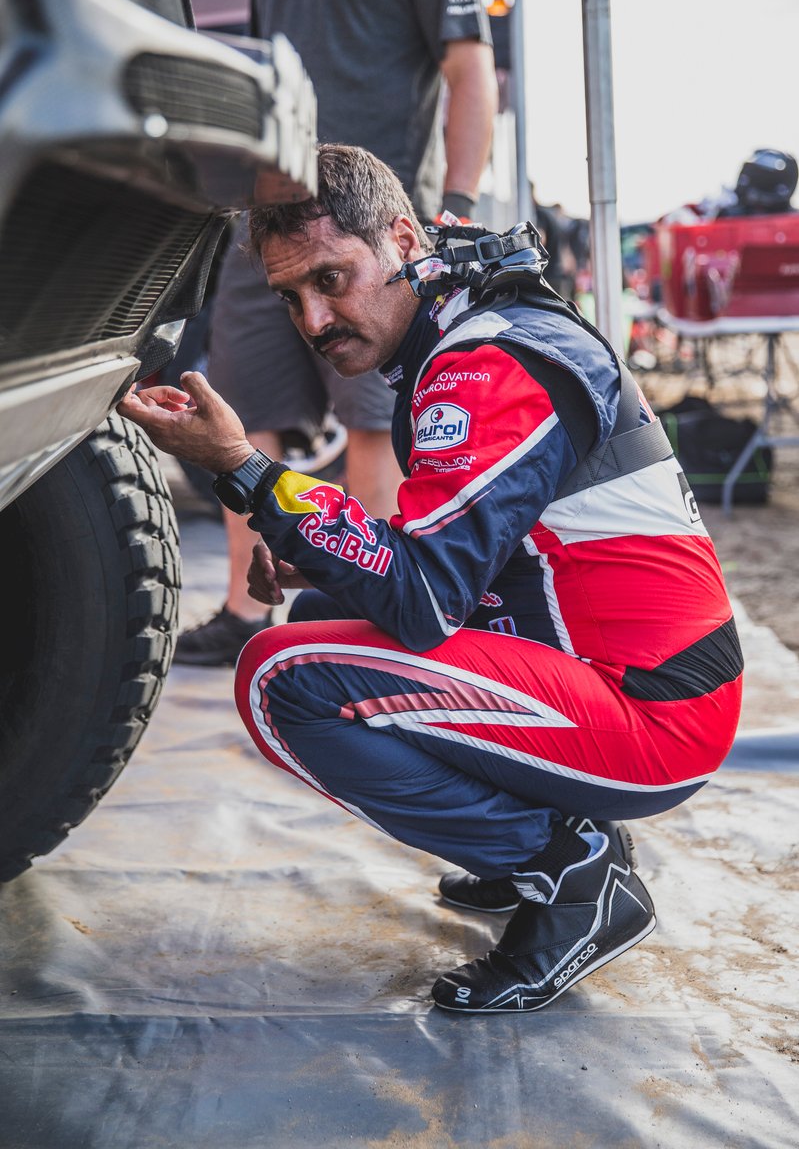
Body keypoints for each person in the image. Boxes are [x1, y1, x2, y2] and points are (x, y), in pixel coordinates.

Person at [119, 144, 743, 1014]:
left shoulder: (486, 362)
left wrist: (243, 471)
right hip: (623, 672)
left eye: (333, 278)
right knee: (327, 595)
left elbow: (424, 596)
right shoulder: (472, 331)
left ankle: (568, 870)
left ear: (403, 238)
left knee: (279, 677)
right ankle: (539, 845)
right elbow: (466, 554)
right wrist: (315, 548)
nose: (314, 318)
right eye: (291, 297)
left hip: (651, 715)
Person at [175, 0, 499, 665]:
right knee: (243, 403)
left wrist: (458, 206)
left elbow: (468, 66)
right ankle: (244, 610)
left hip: (366, 216)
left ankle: (377, 610)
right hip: (265, 215)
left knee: (372, 417)